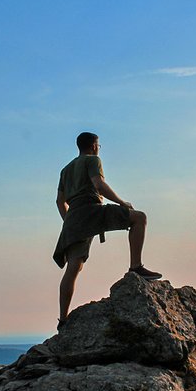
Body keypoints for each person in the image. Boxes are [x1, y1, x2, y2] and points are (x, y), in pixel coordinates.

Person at [53, 132, 162, 328]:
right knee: (139, 218)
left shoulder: (65, 170)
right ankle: (136, 267)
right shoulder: (93, 160)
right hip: (92, 210)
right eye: (98, 145)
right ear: (94, 146)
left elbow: (60, 202)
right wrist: (122, 202)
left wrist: (68, 222)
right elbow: (99, 185)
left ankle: (63, 319)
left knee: (73, 268)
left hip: (74, 218)